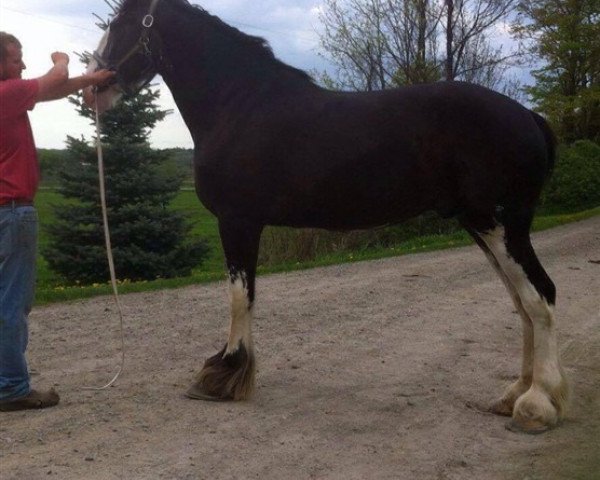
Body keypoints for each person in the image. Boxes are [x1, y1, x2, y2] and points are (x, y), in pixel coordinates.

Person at [0, 32, 114, 411]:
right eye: (17, 59)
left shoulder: (11, 96)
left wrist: (90, 81)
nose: (23, 65)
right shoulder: (5, 93)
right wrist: (63, 58)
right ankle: (12, 387)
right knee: (12, 304)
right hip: (12, 212)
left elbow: (47, 92)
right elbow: (50, 80)